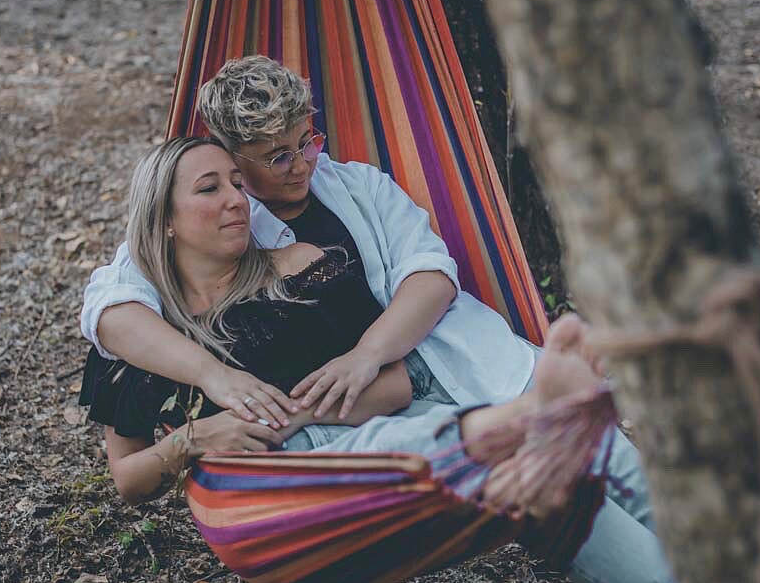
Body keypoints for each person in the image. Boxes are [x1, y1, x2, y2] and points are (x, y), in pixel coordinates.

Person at [80, 136, 680, 583]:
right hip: (260, 498)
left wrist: (289, 414)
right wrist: (190, 439)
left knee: (541, 482)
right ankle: (518, 426)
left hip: (352, 448)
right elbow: (129, 479)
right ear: (162, 223)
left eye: (238, 183)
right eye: (210, 189)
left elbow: (394, 388)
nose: (237, 200)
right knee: (513, 463)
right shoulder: (138, 336)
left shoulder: (298, 274)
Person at [80, 56, 539, 436]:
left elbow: (432, 277)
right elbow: (112, 309)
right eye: (277, 156)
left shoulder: (359, 185)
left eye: (307, 142)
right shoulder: (215, 221)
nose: (300, 166)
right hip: (352, 416)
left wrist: (367, 356)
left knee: (580, 438)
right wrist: (214, 377)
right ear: (230, 152)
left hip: (458, 358)